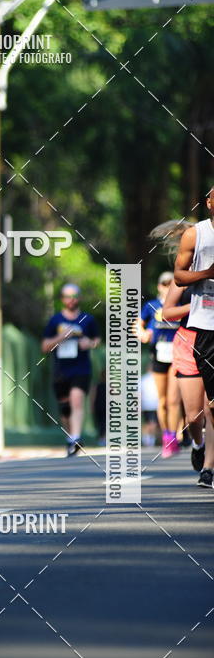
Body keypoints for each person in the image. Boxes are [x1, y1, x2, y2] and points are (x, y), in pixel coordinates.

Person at [174, 187, 214, 484]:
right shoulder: (195, 235)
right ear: (209, 203)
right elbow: (179, 276)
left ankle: (209, 467)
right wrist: (207, 274)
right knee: (199, 412)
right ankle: (200, 448)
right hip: (205, 327)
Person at [162, 280, 214, 485]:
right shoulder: (185, 276)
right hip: (187, 343)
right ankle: (198, 444)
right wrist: (195, 306)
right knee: (193, 417)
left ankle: (208, 468)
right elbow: (167, 313)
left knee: (211, 409)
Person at [41, 284, 100, 457]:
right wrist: (62, 336)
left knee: (77, 400)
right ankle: (70, 437)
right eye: (67, 296)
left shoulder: (87, 319)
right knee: (65, 409)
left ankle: (76, 438)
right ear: (62, 299)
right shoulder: (55, 321)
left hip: (81, 368)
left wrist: (89, 343)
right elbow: (44, 347)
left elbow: (97, 340)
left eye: (74, 296)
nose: (71, 300)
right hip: (60, 370)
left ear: (79, 298)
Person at [138, 272, 182, 457]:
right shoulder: (151, 305)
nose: (167, 287)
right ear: (159, 286)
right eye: (164, 284)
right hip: (158, 355)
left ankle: (173, 436)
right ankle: (167, 435)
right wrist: (142, 334)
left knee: (173, 399)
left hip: (177, 355)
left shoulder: (181, 304)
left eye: (171, 284)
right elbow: (137, 325)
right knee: (162, 399)